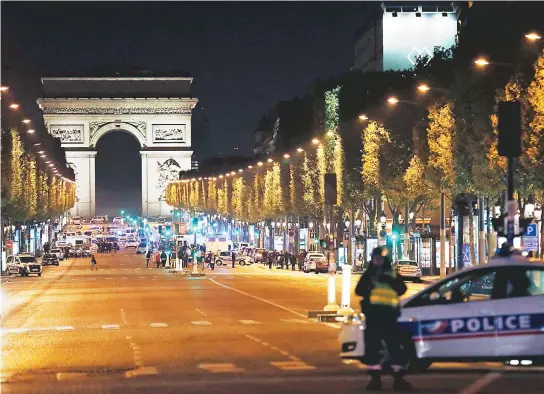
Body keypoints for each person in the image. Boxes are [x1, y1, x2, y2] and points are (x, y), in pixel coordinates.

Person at [355, 247, 412, 391]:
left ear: (384, 260)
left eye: (380, 259)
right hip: (374, 317)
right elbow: (358, 290)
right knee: (373, 349)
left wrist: (388, 281)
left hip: (389, 317)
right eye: (375, 259)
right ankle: (375, 380)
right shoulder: (369, 274)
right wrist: (370, 283)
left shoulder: (391, 274)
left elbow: (402, 289)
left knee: (395, 349)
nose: (377, 261)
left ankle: (398, 380)